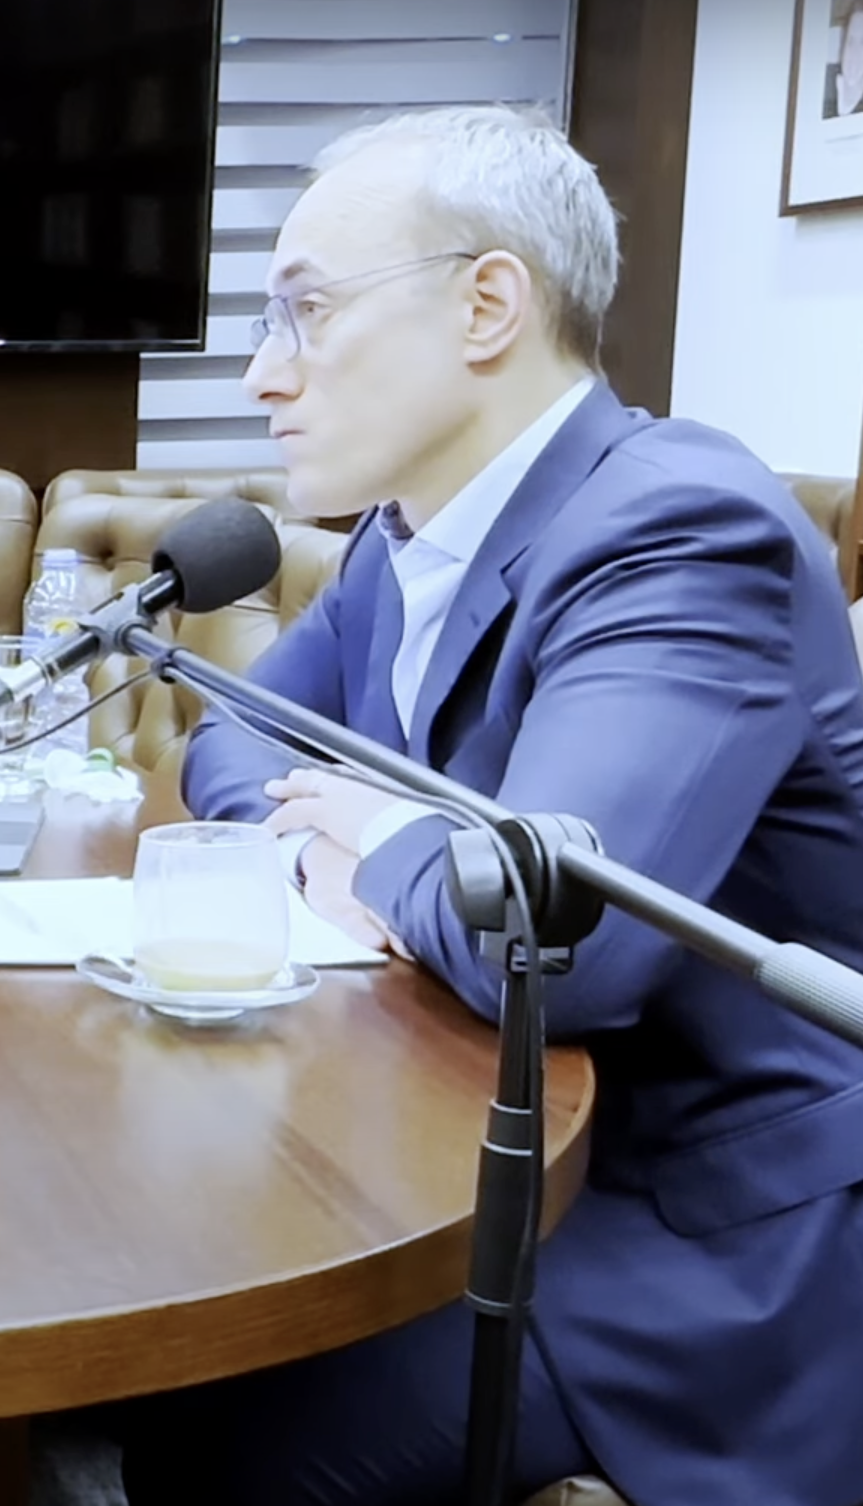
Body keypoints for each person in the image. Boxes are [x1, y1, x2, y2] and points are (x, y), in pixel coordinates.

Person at [115, 105, 863, 1505]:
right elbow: (236, 732)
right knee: (153, 1311)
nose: (265, 373)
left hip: (690, 1228)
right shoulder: (400, 539)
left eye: (307, 311)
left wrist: (380, 839)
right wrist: (324, 835)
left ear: (487, 305)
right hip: (461, 1130)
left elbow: (559, 944)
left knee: (211, 1436)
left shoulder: (681, 529)